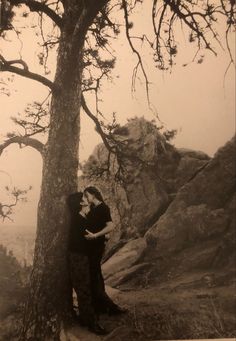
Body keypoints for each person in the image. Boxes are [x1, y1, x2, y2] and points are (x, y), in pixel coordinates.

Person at [67, 192, 108, 335]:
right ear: (81, 203)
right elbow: (86, 238)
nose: (87, 199)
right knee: (84, 289)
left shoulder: (82, 217)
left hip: (82, 256)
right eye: (84, 198)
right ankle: (91, 323)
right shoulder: (78, 219)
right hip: (78, 257)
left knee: (86, 288)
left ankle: (87, 318)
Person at [83, 186, 127, 315]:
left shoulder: (103, 208)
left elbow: (110, 225)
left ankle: (109, 307)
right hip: (90, 246)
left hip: (96, 245)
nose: (86, 198)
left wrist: (96, 235)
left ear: (94, 195)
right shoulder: (92, 209)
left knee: (94, 273)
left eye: (87, 195)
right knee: (96, 274)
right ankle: (101, 305)